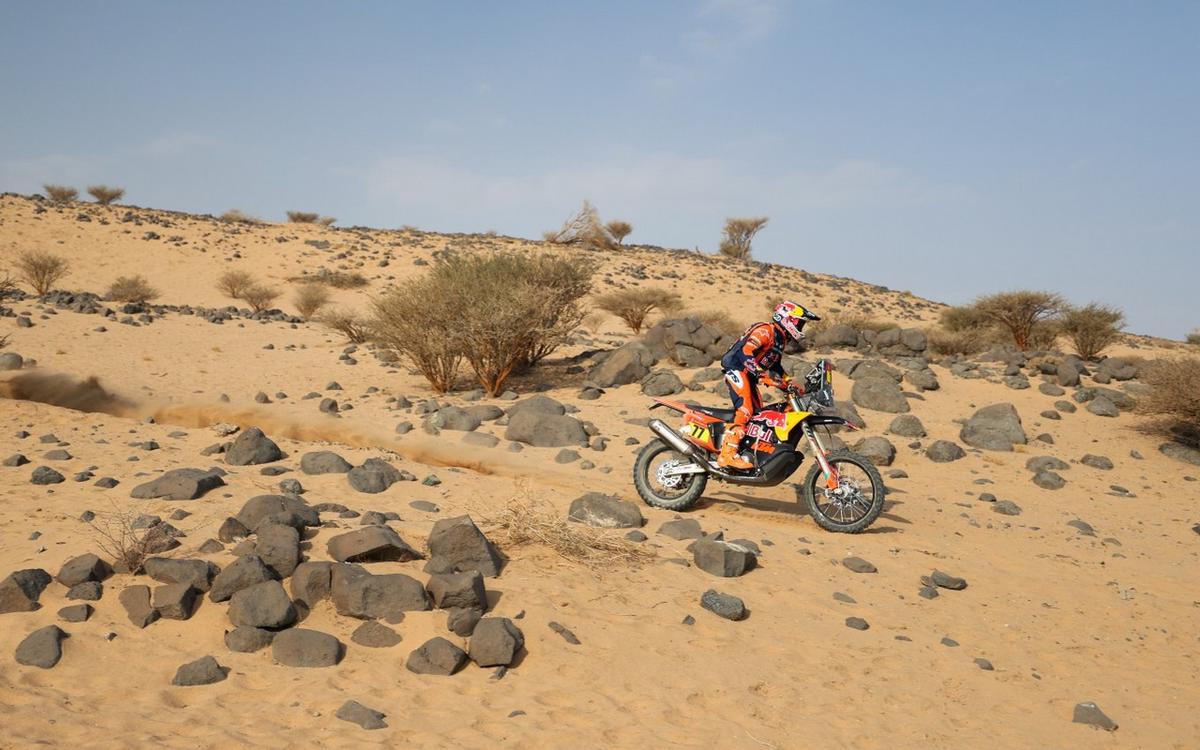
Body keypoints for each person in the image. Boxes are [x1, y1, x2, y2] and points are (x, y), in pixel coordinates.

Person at [717, 300, 821, 469]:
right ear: (788, 319)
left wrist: (788, 381)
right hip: (737, 370)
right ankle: (727, 455)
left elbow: (775, 366)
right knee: (745, 410)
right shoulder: (766, 330)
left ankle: (748, 450)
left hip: (749, 376)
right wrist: (759, 373)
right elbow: (746, 351)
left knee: (757, 415)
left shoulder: (780, 339)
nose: (800, 327)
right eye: (800, 323)